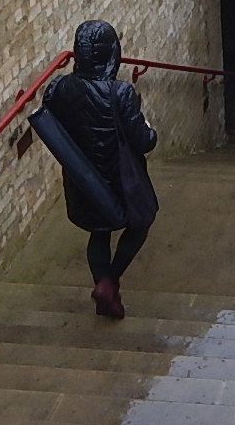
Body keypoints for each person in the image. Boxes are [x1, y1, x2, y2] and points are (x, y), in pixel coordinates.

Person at [42, 19, 158, 320]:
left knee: (99, 231)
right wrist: (149, 129)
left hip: (82, 178)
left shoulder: (58, 87)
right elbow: (144, 142)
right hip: (120, 179)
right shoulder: (120, 92)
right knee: (140, 224)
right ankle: (109, 282)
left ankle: (105, 289)